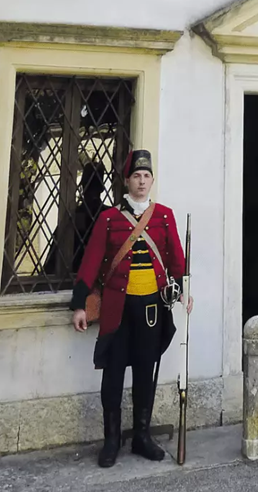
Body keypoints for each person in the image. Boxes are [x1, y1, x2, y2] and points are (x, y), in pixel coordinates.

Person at [70, 149, 193, 467]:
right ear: (127, 180)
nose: (141, 181)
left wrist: (183, 292)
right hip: (116, 308)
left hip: (151, 309)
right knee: (112, 375)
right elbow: (91, 262)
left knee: (144, 372)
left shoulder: (164, 215)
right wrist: (79, 305)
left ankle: (141, 436)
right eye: (136, 176)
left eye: (146, 176)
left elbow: (176, 261)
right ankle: (111, 441)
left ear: (152, 180)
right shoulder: (109, 218)